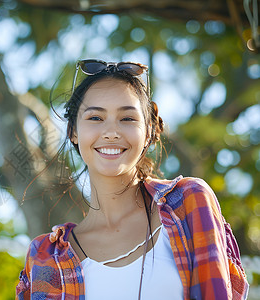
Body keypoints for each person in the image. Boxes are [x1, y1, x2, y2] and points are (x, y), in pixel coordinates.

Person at [15, 59, 249, 300]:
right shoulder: (45, 256)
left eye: (127, 119)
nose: (111, 132)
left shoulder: (188, 202)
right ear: (73, 131)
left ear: (148, 131)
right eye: (95, 118)